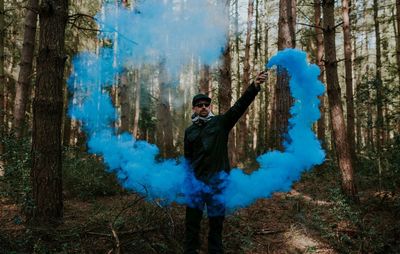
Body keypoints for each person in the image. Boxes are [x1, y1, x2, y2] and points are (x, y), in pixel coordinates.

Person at [183, 71, 268, 254]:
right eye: (199, 105)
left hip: (217, 184)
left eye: (206, 104)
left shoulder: (221, 123)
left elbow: (239, 107)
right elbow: (187, 158)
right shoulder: (189, 132)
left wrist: (254, 86)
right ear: (194, 109)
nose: (204, 107)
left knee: (216, 225)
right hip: (196, 185)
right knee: (191, 225)